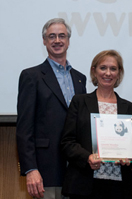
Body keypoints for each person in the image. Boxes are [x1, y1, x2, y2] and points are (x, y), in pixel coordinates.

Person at [16, 18, 87, 199]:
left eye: (62, 36)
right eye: (52, 36)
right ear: (44, 41)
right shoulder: (31, 76)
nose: (57, 40)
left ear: (69, 41)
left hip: (77, 171)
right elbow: (24, 128)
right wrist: (31, 169)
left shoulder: (80, 78)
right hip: (45, 171)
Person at [61, 50, 132, 199]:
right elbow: (67, 142)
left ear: (119, 73)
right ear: (94, 71)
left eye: (113, 69)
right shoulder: (79, 102)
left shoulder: (129, 108)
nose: (108, 73)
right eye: (103, 68)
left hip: (120, 188)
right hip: (84, 185)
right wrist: (87, 157)